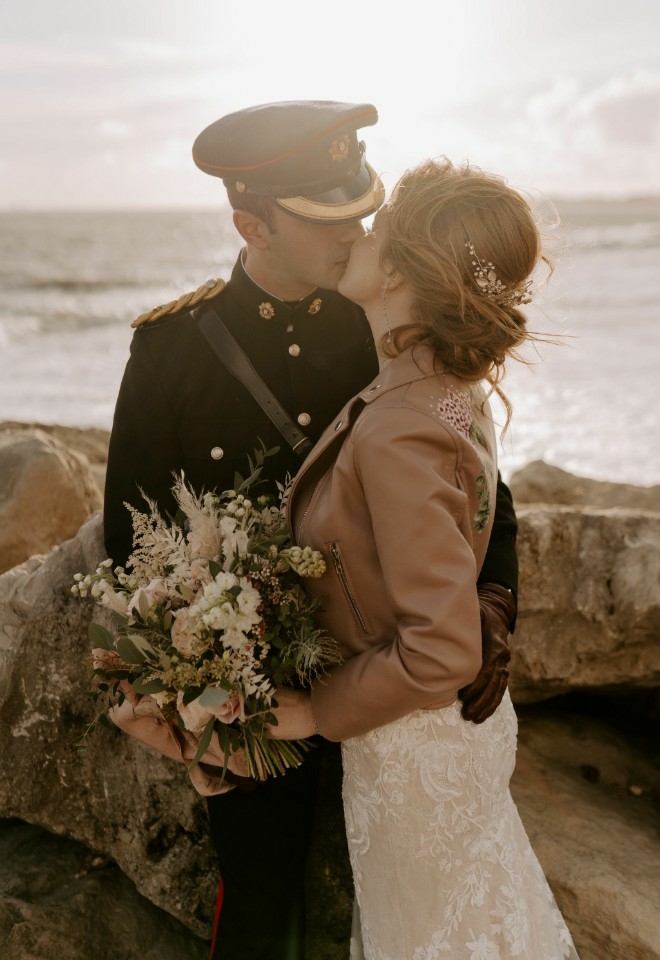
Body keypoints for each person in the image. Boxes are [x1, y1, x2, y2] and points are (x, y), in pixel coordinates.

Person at [102, 102, 519, 960]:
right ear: (250, 222)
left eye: (362, 212)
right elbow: (128, 547)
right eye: (329, 218)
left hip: (391, 675)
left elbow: (479, 480)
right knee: (264, 905)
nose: (358, 233)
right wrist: (202, 710)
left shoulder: (384, 320)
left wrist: (493, 602)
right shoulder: (172, 350)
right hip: (254, 694)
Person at [269, 158, 580, 959]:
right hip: (443, 742)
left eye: (381, 225)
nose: (360, 232)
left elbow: (442, 646)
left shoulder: (400, 423)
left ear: (402, 271)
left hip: (415, 752)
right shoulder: (449, 392)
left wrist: (315, 709)